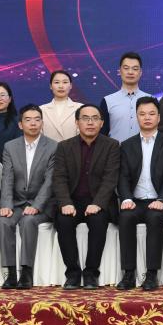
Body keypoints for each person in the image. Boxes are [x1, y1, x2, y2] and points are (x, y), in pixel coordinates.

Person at [52, 103, 121, 290]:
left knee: (98, 221)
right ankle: (72, 274)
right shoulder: (64, 147)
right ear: (77, 122)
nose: (90, 122)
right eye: (85, 118)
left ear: (101, 123)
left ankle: (91, 273)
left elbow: (110, 178)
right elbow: (59, 178)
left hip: (98, 201)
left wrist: (98, 203)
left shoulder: (112, 146)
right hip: (72, 200)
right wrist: (65, 203)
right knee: (63, 221)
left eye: (95, 118)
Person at [117, 97, 163, 291]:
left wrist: (162, 199)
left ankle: (152, 274)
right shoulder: (127, 145)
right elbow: (122, 177)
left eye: (152, 114)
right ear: (136, 117)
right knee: (125, 217)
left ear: (159, 117)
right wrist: (126, 198)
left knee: (154, 217)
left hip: (160, 201)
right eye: (142, 114)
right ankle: (128, 273)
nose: (147, 118)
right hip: (135, 201)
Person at [0, 104, 57, 290]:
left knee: (28, 221)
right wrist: (6, 205)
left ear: (42, 123)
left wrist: (37, 206)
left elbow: (50, 181)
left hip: (42, 205)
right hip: (17, 203)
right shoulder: (10, 147)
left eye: (37, 119)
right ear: (20, 124)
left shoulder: (53, 146)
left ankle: (26, 272)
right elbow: (7, 178)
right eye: (28, 120)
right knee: (2, 222)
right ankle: (11, 273)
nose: (33, 123)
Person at [101, 52, 150, 143]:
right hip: (115, 151)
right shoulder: (107, 101)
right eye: (126, 68)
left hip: (145, 150)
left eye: (135, 69)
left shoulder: (151, 100)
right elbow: (102, 134)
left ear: (140, 72)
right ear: (119, 71)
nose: (130, 72)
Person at [41, 70, 82, 141]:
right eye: (57, 82)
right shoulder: (41, 110)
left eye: (65, 82)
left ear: (71, 86)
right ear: (50, 86)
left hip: (73, 148)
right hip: (49, 148)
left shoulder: (81, 108)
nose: (61, 86)